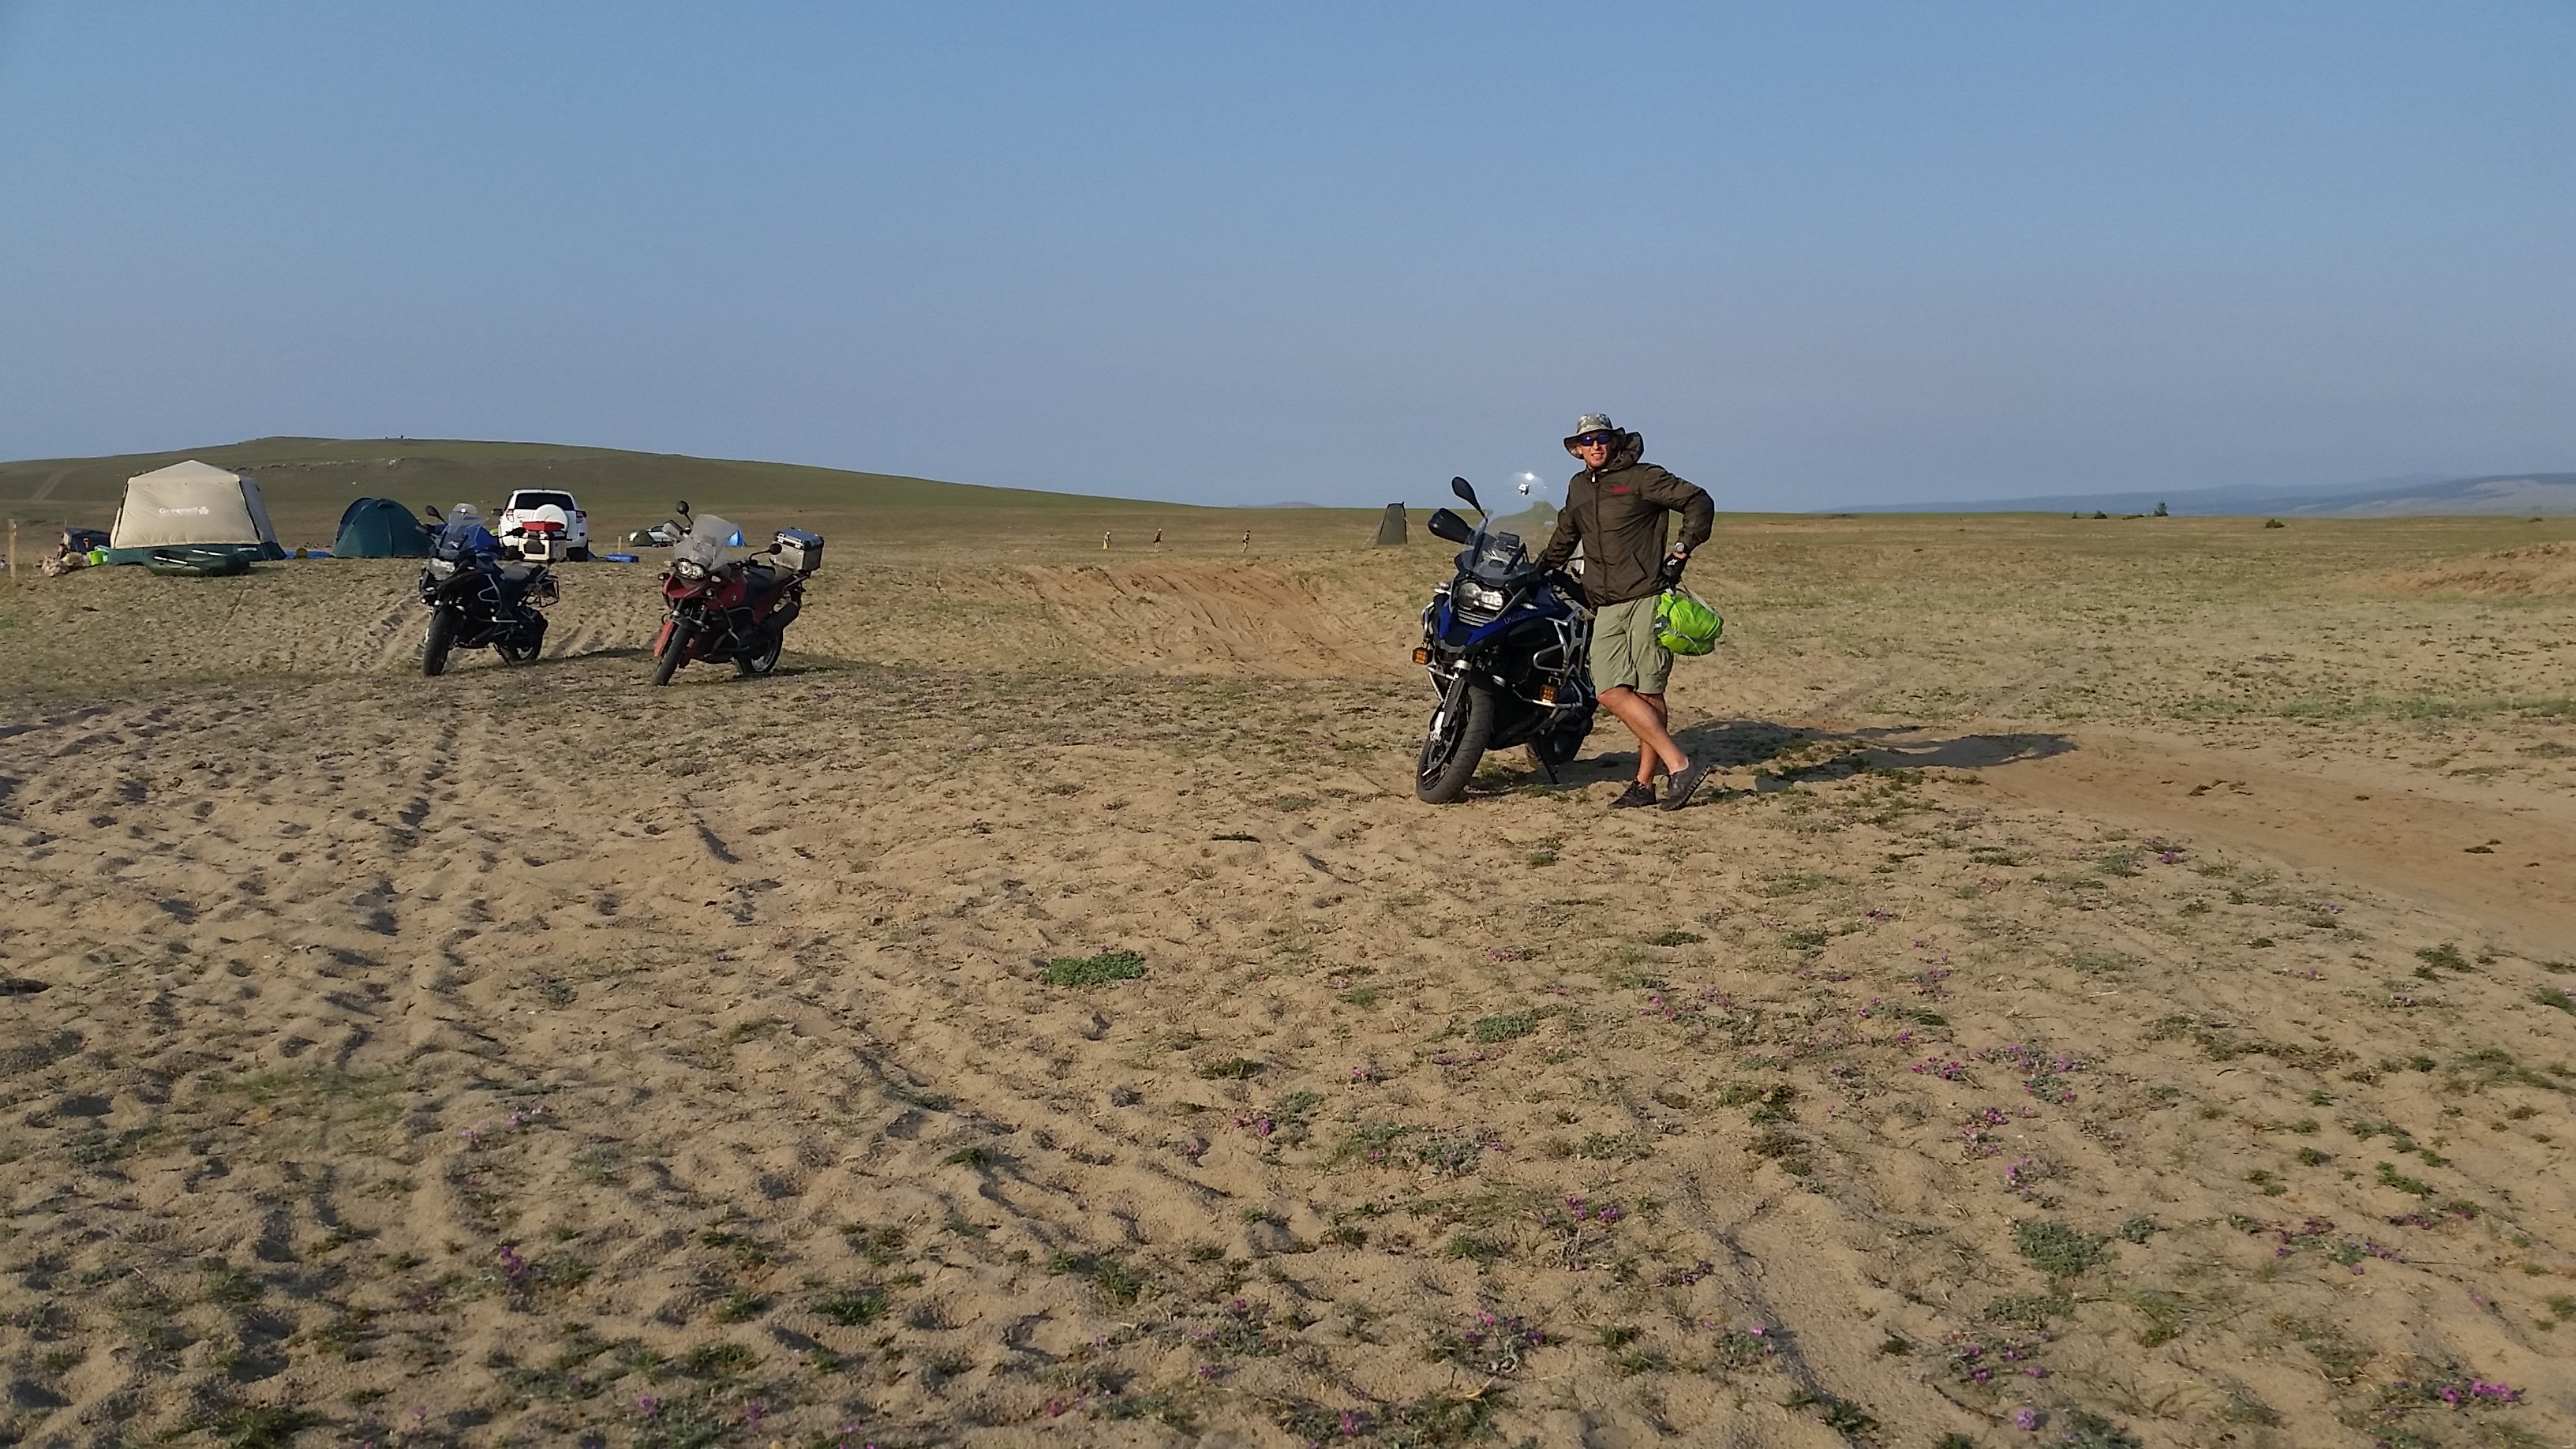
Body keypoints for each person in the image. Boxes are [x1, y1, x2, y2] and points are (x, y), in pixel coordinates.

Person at [1536, 414, 1716, 811]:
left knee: (1649, 691)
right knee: (1608, 690)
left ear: (1614, 441)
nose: (1595, 446)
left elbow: (1698, 501)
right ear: (1577, 449)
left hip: (1646, 596)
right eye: (1587, 441)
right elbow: (1567, 533)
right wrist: (1540, 568)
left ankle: (1644, 784)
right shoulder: (1578, 487)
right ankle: (1681, 764)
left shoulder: (1642, 478)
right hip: (1604, 603)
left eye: (1601, 438)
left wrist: (1681, 550)